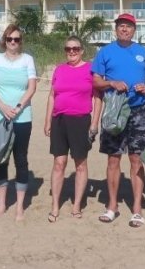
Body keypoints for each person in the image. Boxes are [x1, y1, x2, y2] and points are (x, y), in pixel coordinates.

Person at [91, 13, 145, 228]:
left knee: (136, 159)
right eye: (121, 26)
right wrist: (112, 83)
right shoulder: (105, 52)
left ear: (134, 30)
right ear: (115, 29)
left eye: (128, 26)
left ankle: (137, 209)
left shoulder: (143, 52)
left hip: (139, 110)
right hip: (114, 111)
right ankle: (112, 206)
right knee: (113, 159)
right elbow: (96, 81)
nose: (124, 30)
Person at [43, 35, 102, 222]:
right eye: (68, 49)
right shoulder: (59, 70)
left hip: (80, 121)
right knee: (59, 163)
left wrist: (94, 123)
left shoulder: (90, 70)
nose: (71, 52)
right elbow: (52, 95)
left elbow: (98, 98)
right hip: (59, 120)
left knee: (80, 164)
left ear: (82, 50)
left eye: (75, 48)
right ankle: (55, 206)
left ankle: (76, 206)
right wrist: (47, 121)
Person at [0, 24, 39, 220]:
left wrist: (17, 106)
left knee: (21, 159)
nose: (13, 42)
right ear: (4, 41)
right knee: (1, 159)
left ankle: (19, 208)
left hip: (22, 116)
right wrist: (2, 107)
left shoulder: (27, 60)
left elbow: (32, 87)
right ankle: (1, 206)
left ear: (20, 41)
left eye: (16, 39)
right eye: (10, 39)